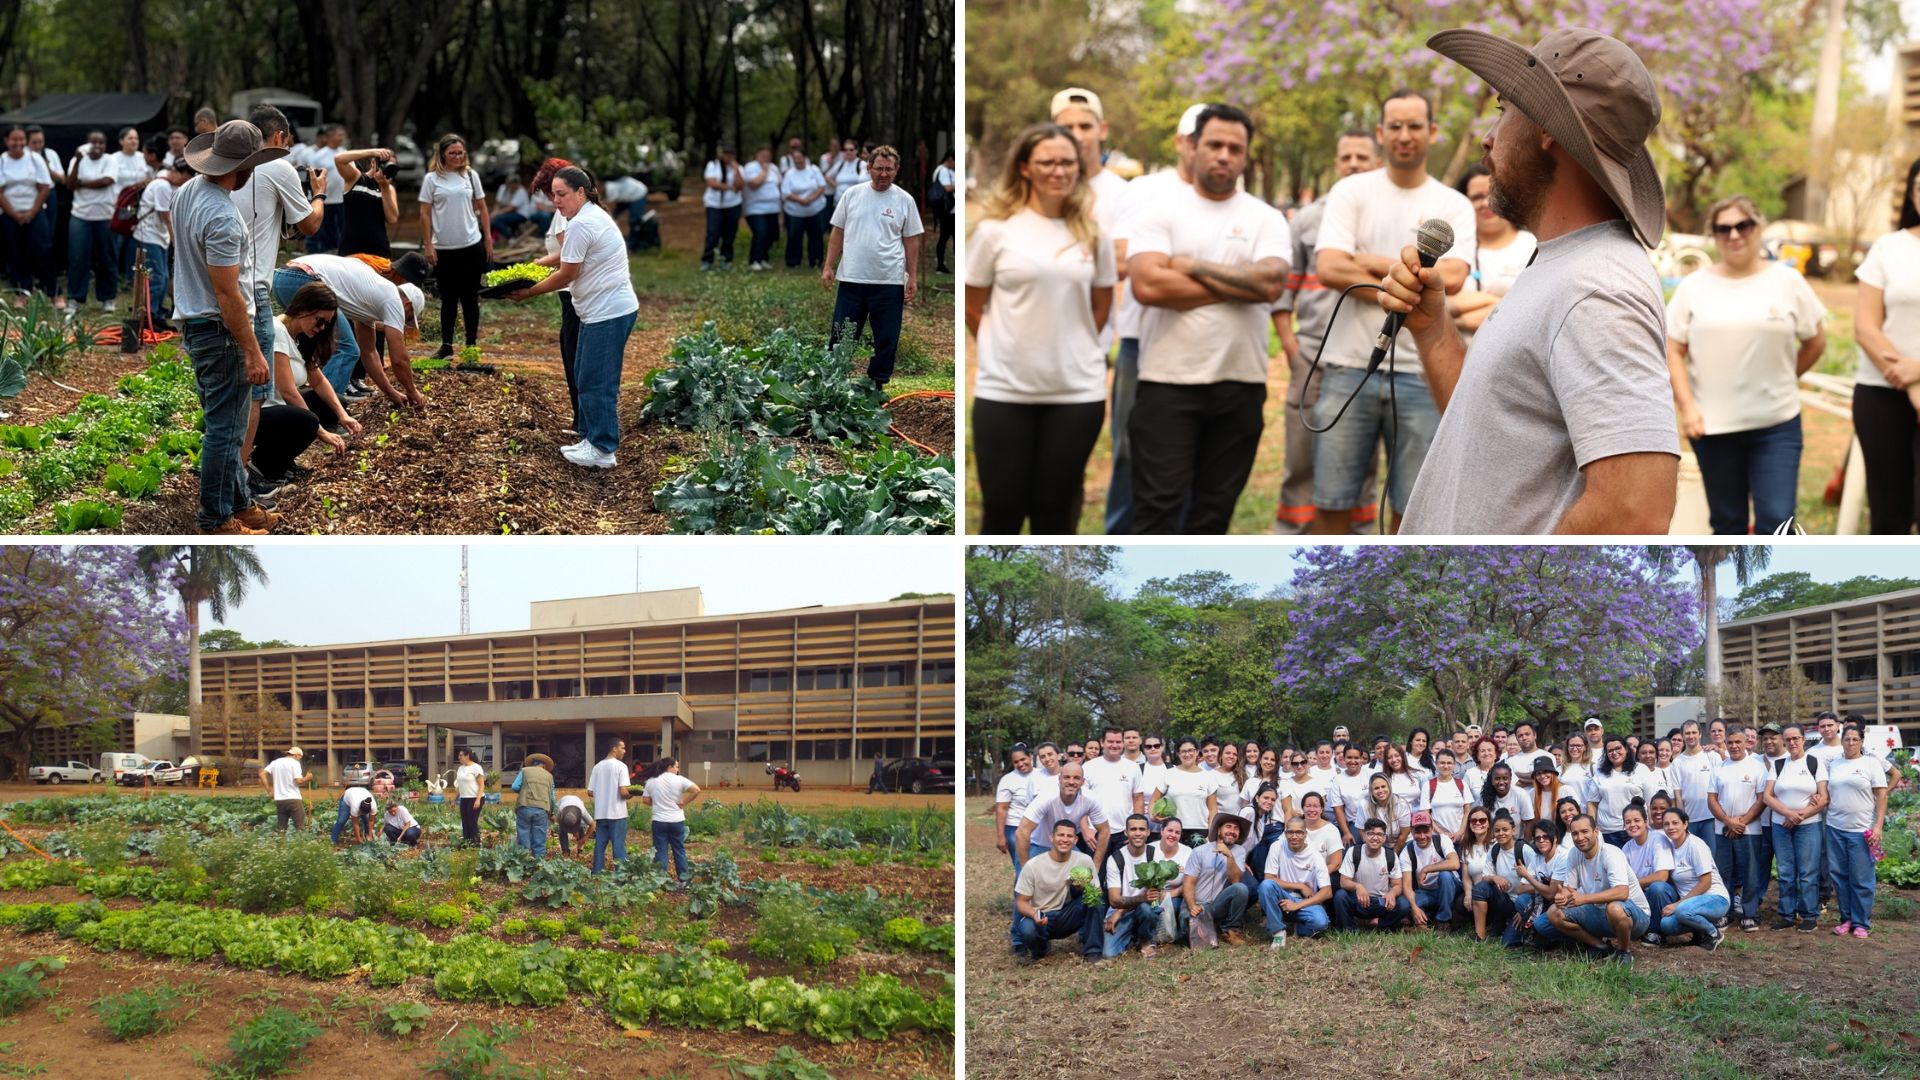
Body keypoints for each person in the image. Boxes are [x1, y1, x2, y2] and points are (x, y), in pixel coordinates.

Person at [1382, 27, 1680, 534]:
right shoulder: (1562, 262)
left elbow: (1636, 509)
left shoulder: (1596, 290)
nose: (1488, 137)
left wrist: (1511, 592)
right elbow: (1491, 430)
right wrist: (1435, 330)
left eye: (1504, 110)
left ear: (1546, 130)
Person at [1309, 91, 1476, 535]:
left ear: (1432, 133)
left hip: (1422, 376)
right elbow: (1328, 267)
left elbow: (1455, 275)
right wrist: (1415, 276)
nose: (1405, 136)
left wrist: (1365, 261)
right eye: (1395, 126)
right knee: (1331, 502)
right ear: (1381, 133)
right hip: (1348, 366)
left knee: (1412, 511)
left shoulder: (1453, 205)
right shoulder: (1350, 191)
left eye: (1415, 126)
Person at [1125, 104, 1290, 533]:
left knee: (1213, 515)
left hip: (1241, 385)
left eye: (1235, 148)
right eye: (1214, 144)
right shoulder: (1158, 212)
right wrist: (1240, 287)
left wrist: (1191, 266)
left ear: (1245, 156)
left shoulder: (1265, 218)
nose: (1224, 155)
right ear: (1193, 147)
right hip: (1167, 385)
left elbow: (1272, 283)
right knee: (1157, 508)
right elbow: (1149, 287)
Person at [965, 123, 1115, 534]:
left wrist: (1073, 345)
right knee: (1002, 511)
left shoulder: (1093, 234)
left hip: (1076, 393)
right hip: (1005, 391)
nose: (1059, 170)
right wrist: (1007, 346)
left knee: (1055, 513)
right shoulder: (994, 232)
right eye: (1047, 161)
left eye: (1067, 162)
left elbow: (1101, 306)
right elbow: (972, 306)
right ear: (1026, 168)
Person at [1666, 195, 1827, 533]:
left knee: (1778, 521)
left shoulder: (1788, 282)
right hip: (1713, 428)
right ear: (1714, 236)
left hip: (1777, 426)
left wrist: (1787, 376)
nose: (1734, 235)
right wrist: (1688, 408)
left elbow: (1815, 341)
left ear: (1759, 229)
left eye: (1743, 225)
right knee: (1728, 524)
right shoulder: (1694, 287)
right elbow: (1673, 348)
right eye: (1723, 229)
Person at [174, 120, 286, 535]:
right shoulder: (222, 214)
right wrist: (252, 350)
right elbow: (227, 294)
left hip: (199, 324)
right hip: (221, 331)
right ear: (244, 166)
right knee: (225, 430)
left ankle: (239, 502)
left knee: (230, 421)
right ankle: (216, 518)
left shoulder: (188, 193)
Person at [1105, 103, 1208, 534]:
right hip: (1139, 341)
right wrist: (1203, 268)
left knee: (1194, 454)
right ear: (1181, 142)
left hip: (1205, 347)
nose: (1206, 150)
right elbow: (1121, 258)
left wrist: (1165, 263)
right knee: (1131, 450)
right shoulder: (1144, 190)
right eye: (1197, 139)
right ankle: (1122, 532)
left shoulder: (1234, 201)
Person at [509, 166, 640, 469]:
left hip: (609, 312)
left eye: (561, 194)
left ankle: (604, 448)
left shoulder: (582, 223)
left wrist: (529, 292)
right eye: (553, 194)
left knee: (597, 381)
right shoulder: (586, 217)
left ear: (581, 192)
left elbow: (567, 274)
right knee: (585, 373)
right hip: (600, 311)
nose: (555, 200)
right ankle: (591, 438)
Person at [234, 105, 327, 496]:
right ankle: (242, 479)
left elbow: (278, 224)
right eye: (287, 142)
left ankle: (234, 470)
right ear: (278, 138)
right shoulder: (279, 167)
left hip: (219, 286)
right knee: (255, 390)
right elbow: (310, 223)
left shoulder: (228, 170)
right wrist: (318, 195)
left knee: (232, 390)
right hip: (252, 286)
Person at [1851, 156, 1920, 533]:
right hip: (1881, 394)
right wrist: (1908, 381)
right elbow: (1865, 326)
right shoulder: (1888, 248)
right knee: (1888, 514)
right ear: (1912, 194)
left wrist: (1918, 371)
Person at [272, 252, 427, 410]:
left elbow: (369, 353)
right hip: (303, 278)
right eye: (407, 318)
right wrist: (412, 391)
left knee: (306, 345)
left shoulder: (369, 303)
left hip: (283, 276)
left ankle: (290, 403)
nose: (403, 322)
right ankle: (324, 413)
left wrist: (390, 392)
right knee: (347, 348)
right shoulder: (393, 298)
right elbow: (399, 359)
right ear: (407, 304)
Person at [824, 146, 922, 390]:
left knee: (887, 337)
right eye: (878, 168)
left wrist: (912, 277)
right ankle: (835, 380)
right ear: (868, 168)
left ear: (896, 171)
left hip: (888, 281)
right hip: (852, 279)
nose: (883, 174)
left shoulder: (904, 200)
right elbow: (837, 231)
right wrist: (828, 266)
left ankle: (877, 383)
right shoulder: (852, 195)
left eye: (889, 169)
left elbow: (911, 240)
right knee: (842, 333)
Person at [1531, 814, 1650, 965]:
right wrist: (1563, 896)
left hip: (1635, 916)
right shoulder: (1574, 853)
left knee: (1614, 908)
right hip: (1599, 911)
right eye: (1575, 833)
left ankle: (1624, 952)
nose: (1580, 837)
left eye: (1585, 831)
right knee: (1553, 912)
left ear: (1596, 831)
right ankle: (1601, 946)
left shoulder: (1611, 853)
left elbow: (1622, 892)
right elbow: (1570, 888)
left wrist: (1584, 898)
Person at [420, 134, 491, 360]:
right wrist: (428, 244)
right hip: (444, 248)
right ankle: (447, 345)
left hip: (470, 244)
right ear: (442, 155)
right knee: (448, 298)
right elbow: (424, 213)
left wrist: (488, 238)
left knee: (470, 297)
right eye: (453, 153)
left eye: (461, 153)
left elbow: (482, 207)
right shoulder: (432, 179)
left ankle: (471, 345)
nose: (458, 157)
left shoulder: (470, 176)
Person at [1447, 163, 1537, 342]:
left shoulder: (1533, 246)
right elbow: (1439, 305)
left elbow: (1533, 312)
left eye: (1492, 195)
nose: (1485, 203)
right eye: (1476, 197)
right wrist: (1498, 304)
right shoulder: (1453, 249)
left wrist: (1459, 318)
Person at [1825, 724, 1891, 938]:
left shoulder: (1871, 764)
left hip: (1861, 830)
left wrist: (1878, 826)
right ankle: (1846, 919)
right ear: (1841, 741)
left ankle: (1862, 922)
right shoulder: (1834, 764)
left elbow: (1882, 795)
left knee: (1862, 878)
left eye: (1855, 739)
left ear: (1862, 742)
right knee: (1839, 876)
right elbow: (1826, 792)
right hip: (1835, 827)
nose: (1851, 743)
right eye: (1847, 739)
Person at [1762, 723, 1827, 931]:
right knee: (1785, 871)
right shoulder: (1778, 764)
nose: (1792, 743)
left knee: (1808, 872)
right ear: (1784, 741)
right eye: (1788, 739)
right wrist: (1788, 814)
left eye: (1795, 738)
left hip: (1808, 826)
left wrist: (1799, 817)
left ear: (1803, 739)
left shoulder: (1815, 762)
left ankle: (1809, 914)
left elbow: (1824, 797)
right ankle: (1787, 914)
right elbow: (1767, 796)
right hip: (1781, 825)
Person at [1014, 820, 1101, 963]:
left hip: (1068, 913)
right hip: (1042, 915)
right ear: (1051, 837)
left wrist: (1082, 887)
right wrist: (1034, 914)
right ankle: (1041, 950)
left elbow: (1096, 893)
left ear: (1075, 839)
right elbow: (1021, 902)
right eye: (1061, 835)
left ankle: (1093, 951)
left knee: (1095, 901)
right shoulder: (1033, 865)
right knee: (1027, 928)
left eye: (1069, 836)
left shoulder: (1084, 860)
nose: (1065, 839)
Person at [1707, 726, 1766, 931]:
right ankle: (1725, 912)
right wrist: (1728, 821)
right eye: (1730, 742)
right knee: (1724, 873)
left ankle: (1750, 913)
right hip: (1722, 829)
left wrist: (1741, 822)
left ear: (1746, 742)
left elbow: (1761, 800)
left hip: (1749, 830)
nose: (1733, 746)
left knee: (1749, 872)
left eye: (1737, 742)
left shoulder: (1757, 767)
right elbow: (1712, 799)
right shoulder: (1719, 768)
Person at [1102, 814, 1185, 957]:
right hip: (1123, 911)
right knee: (1109, 953)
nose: (1138, 833)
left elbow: (1152, 895)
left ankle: (1145, 939)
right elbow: (1114, 900)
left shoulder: (1156, 854)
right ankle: (1133, 936)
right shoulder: (1115, 859)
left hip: (1144, 908)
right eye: (1133, 829)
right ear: (1126, 832)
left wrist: (1120, 911)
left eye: (1142, 829)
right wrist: (1121, 911)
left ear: (1148, 832)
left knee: (1148, 909)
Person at [1649, 808, 1728, 950]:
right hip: (1690, 904)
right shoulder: (1670, 847)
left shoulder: (1695, 845)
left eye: (1675, 823)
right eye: (1666, 824)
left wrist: (1677, 904)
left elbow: (1706, 882)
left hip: (1715, 899)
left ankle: (1713, 932)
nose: (1671, 827)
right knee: (1666, 925)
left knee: (1683, 910)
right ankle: (1700, 931)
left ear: (1685, 824)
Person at [1256, 814, 1333, 946]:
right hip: (1282, 898)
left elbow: (1327, 892)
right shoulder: (1277, 847)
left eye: (1298, 832)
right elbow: (1269, 878)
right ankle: (1278, 931)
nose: (1294, 836)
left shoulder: (1315, 855)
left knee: (1321, 923)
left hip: (1305, 902)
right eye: (1290, 832)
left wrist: (1297, 905)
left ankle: (1298, 928)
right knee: (1266, 885)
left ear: (1305, 834)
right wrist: (1299, 886)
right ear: (1285, 834)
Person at [66, 130, 120, 311]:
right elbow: (70, 184)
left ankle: (107, 298)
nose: (97, 146)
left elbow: (106, 181)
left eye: (101, 143)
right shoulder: (77, 160)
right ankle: (74, 298)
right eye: (93, 142)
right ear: (86, 144)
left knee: (106, 258)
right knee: (78, 258)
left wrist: (82, 183)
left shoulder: (110, 160)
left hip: (104, 216)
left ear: (105, 145)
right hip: (80, 216)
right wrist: (78, 161)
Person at [1080, 726, 1143, 881]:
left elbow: (1138, 799)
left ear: (1123, 743)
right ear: (1102, 742)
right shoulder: (1089, 767)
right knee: (1095, 878)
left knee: (1122, 879)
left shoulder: (1132, 767)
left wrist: (1136, 829)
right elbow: (1080, 801)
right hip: (1095, 834)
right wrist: (1085, 829)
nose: (1114, 745)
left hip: (1122, 834)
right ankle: (1097, 906)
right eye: (1110, 741)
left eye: (1118, 742)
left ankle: (1117, 906)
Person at [1180, 814, 1252, 946]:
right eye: (1228, 827)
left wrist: (1229, 856)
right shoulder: (1199, 851)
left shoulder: (1239, 851)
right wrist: (1192, 905)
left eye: (1236, 828)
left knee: (1241, 889)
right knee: (1187, 930)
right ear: (1219, 830)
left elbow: (1236, 880)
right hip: (1196, 904)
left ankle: (1230, 930)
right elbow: (1188, 882)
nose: (1232, 831)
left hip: (1215, 905)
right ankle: (1206, 927)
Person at [0, 126, 52, 299]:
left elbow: (44, 187)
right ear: (7, 141)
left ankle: (52, 292)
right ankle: (22, 292)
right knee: (15, 253)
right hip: (10, 214)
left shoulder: (35, 158)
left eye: (22, 139)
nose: (19, 143)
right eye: (14, 139)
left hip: (35, 212)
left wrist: (31, 213)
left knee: (42, 250)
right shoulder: (2, 160)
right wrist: (15, 215)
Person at [128, 139, 175, 326]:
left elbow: (165, 214)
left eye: (145, 152)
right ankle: (150, 315)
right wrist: (174, 239)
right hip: (150, 235)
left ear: (153, 155)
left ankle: (152, 312)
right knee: (156, 277)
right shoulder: (161, 181)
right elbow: (165, 214)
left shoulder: (161, 180)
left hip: (157, 235)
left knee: (160, 277)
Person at [1335, 818, 1411, 931]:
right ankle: (1349, 929)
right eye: (1371, 834)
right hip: (1359, 900)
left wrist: (1392, 893)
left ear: (1384, 838)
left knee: (1403, 904)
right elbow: (1343, 881)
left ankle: (1383, 927)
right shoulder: (1353, 852)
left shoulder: (1390, 856)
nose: (1375, 838)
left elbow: (1397, 885)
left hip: (1382, 902)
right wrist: (1358, 886)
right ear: (1364, 836)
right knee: (1340, 895)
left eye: (1380, 834)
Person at [640, 756, 702, 881]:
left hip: (659, 820)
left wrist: (657, 802)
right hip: (677, 820)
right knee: (679, 850)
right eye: (676, 766)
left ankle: (661, 880)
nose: (678, 769)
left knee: (660, 851)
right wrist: (683, 802)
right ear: (670, 767)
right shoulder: (679, 780)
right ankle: (683, 880)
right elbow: (696, 790)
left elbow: (645, 800)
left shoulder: (652, 781)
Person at [1149, 738, 1217, 848]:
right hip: (1173, 830)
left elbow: (1213, 809)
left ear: (1196, 752)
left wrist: (1210, 834)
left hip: (1200, 831)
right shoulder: (1169, 774)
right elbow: (1154, 800)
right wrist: (1153, 815)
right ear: (1178, 754)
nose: (1187, 754)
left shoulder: (1208, 777)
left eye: (1191, 750)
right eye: (1183, 751)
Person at [1400, 811, 1461, 930]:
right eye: (1417, 831)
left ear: (1432, 829)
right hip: (1426, 892)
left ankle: (1443, 921)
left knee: (1445, 875)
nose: (1422, 836)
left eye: (1426, 831)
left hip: (1450, 887)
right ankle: (1423, 916)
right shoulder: (1407, 851)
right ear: (1411, 832)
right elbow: (1406, 886)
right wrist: (1414, 907)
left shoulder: (1442, 840)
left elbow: (1455, 863)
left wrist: (1426, 869)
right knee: (1404, 904)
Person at [336, 147, 400, 260]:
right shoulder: (356, 178)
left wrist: (384, 187)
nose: (387, 169)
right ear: (373, 162)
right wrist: (372, 152)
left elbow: (392, 219)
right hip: (351, 249)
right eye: (385, 164)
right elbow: (339, 159)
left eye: (391, 166)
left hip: (378, 250)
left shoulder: (388, 189)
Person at [107, 127, 152, 286]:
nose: (134, 141)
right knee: (117, 243)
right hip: (118, 206)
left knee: (134, 243)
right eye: (130, 138)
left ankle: (131, 278)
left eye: (136, 138)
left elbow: (150, 178)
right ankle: (112, 278)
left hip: (138, 207)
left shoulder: (142, 157)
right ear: (121, 141)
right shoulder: (113, 159)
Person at [1588, 736, 1649, 847]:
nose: (1614, 753)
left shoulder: (1640, 769)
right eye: (1610, 750)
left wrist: (1648, 824)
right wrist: (1592, 828)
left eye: (1618, 748)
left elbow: (1650, 800)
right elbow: (1592, 803)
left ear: (1626, 749)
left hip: (1635, 828)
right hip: (1608, 831)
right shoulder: (1600, 773)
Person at [779, 144, 829, 269]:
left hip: (815, 209)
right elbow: (785, 192)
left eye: (799, 157)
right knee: (794, 236)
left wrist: (811, 198)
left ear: (804, 157)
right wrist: (800, 200)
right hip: (795, 211)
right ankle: (793, 261)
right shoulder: (789, 173)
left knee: (816, 236)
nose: (797, 160)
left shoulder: (813, 170)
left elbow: (822, 186)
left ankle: (816, 261)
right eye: (794, 158)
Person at [587, 740, 632, 873]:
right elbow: (623, 792)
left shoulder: (597, 767)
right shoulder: (621, 766)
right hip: (617, 813)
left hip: (601, 813)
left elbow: (589, 791)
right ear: (614, 749)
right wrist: (633, 794)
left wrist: (603, 793)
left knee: (600, 845)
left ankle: (597, 873)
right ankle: (621, 875)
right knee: (618, 846)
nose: (624, 751)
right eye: (622, 748)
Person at [701, 145, 745, 270]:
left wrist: (736, 170)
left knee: (729, 233)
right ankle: (707, 259)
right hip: (714, 204)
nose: (728, 157)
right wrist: (730, 187)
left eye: (731, 155)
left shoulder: (738, 168)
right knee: (713, 233)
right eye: (726, 154)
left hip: (732, 204)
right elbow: (712, 183)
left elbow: (740, 185)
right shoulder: (713, 165)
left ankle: (726, 259)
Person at [994, 745, 1038, 868]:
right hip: (1015, 827)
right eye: (1016, 762)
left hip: (1039, 828)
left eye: (1023, 759)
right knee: (1022, 866)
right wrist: (1001, 837)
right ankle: (1021, 887)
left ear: (1030, 757)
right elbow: (1001, 809)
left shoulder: (1042, 775)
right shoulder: (1007, 780)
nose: (1020, 764)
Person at [741, 146, 783, 271]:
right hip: (755, 208)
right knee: (760, 232)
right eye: (763, 155)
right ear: (757, 155)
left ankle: (763, 258)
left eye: (768, 156)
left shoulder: (774, 168)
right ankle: (754, 260)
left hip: (773, 208)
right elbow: (754, 185)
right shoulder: (750, 167)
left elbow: (779, 184)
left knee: (771, 235)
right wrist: (764, 171)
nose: (766, 158)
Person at [514, 753, 557, 859]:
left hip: (524, 806)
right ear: (544, 766)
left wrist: (524, 790)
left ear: (532, 764)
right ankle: (538, 863)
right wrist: (552, 813)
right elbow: (552, 798)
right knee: (539, 836)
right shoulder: (549, 776)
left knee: (523, 833)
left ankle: (522, 861)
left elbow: (515, 786)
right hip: (542, 809)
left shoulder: (524, 771)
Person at [260, 747, 308, 832]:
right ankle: (301, 843)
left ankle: (281, 843)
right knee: (300, 828)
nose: (300, 759)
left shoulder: (276, 762)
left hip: (280, 800)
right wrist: (307, 778)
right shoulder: (294, 763)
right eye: (300, 757)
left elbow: (262, 774)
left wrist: (269, 791)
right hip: (293, 799)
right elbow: (299, 781)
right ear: (297, 755)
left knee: (281, 829)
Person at [821, 138, 867, 218]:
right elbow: (827, 176)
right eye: (846, 150)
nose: (848, 152)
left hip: (854, 205)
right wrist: (837, 186)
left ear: (856, 150)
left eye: (851, 149)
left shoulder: (861, 164)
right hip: (838, 204)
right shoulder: (841, 164)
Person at [453, 746, 486, 845]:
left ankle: (476, 843)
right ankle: (467, 843)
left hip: (475, 798)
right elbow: (460, 786)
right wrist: (454, 799)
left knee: (472, 821)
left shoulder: (476, 767)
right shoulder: (460, 768)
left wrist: (478, 800)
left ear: (467, 756)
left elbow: (482, 785)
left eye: (461, 755)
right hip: (464, 798)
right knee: (465, 821)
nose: (459, 757)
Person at [491, 172, 535, 241]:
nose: (514, 185)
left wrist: (496, 213)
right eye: (512, 183)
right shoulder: (503, 188)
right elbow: (498, 203)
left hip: (521, 214)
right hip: (510, 213)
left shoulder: (521, 191)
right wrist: (494, 212)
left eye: (516, 183)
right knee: (492, 219)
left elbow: (511, 208)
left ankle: (511, 237)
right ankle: (493, 239)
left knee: (496, 220)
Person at [931, 150, 955, 273]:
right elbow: (947, 188)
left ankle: (942, 264)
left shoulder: (942, 170)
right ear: (950, 159)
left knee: (948, 237)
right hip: (947, 210)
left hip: (947, 209)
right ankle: (940, 265)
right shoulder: (944, 171)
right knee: (945, 237)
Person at [555, 791, 593, 856]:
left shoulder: (582, 811)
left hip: (577, 801)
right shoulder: (561, 810)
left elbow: (593, 825)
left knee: (581, 826)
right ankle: (565, 851)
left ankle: (580, 850)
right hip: (564, 801)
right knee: (562, 829)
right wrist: (572, 831)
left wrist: (584, 838)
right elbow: (558, 821)